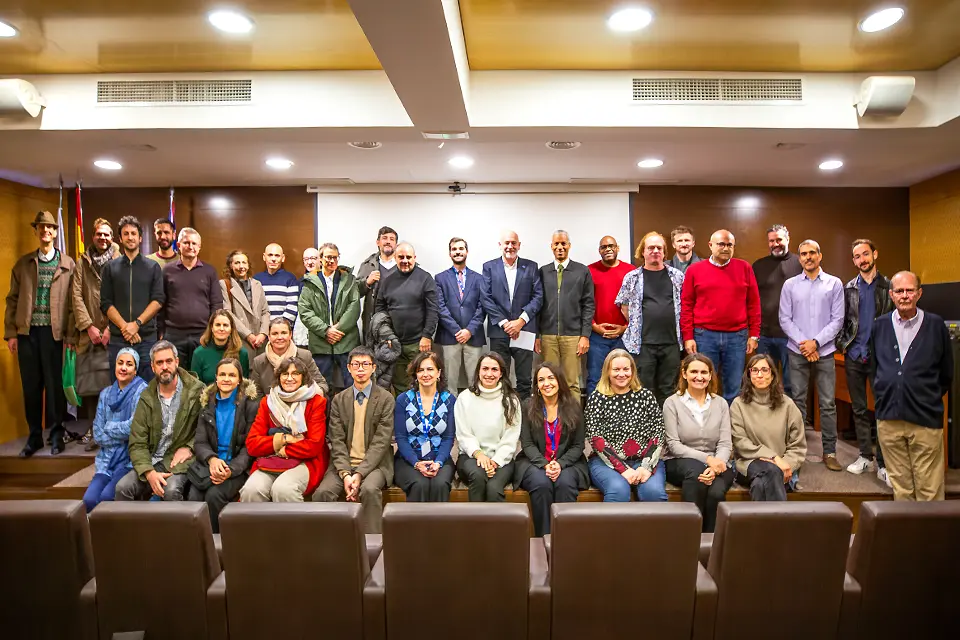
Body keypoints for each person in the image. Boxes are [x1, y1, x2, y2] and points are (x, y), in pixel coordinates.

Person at [870, 271, 953, 501]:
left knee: (930, 490)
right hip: (889, 420)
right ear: (891, 295)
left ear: (919, 293)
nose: (904, 295)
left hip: (925, 420)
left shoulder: (936, 325)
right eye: (899, 291)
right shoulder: (880, 326)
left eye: (909, 290)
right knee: (901, 490)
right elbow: (874, 370)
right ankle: (907, 537)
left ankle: (931, 538)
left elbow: (946, 374)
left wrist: (923, 395)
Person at [5, 211, 77, 457]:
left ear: (56, 232)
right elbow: (12, 300)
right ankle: (34, 436)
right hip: (27, 334)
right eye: (41, 227)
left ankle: (57, 434)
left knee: (55, 387)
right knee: (31, 387)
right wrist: (11, 334)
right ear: (35, 231)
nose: (46, 231)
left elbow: (72, 304)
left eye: (50, 227)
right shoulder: (23, 264)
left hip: (55, 335)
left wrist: (70, 337)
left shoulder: (68, 265)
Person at [778, 239, 845, 471]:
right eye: (804, 254)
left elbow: (838, 320)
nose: (808, 257)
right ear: (799, 258)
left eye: (812, 253)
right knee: (797, 402)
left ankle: (830, 452)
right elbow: (784, 318)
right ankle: (797, 452)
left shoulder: (834, 284)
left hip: (825, 351)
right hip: (797, 351)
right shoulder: (790, 285)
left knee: (827, 404)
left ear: (820, 255)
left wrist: (815, 343)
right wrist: (804, 344)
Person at [314, 346, 395, 532]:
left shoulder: (385, 399)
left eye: (365, 364)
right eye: (356, 364)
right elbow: (337, 440)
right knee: (323, 493)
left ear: (373, 368)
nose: (360, 369)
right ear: (349, 368)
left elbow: (381, 443)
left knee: (369, 490)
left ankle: (372, 545)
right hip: (344, 464)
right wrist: (345, 474)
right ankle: (328, 544)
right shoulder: (339, 399)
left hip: (375, 465)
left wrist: (358, 474)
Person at [116, 341, 204, 501]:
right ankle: (132, 527)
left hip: (180, 462)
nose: (165, 367)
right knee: (122, 488)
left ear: (176, 362)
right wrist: (149, 472)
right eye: (159, 362)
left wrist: (190, 447)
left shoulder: (196, 391)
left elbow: (206, 430)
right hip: (151, 460)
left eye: (169, 361)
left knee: (171, 491)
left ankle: (179, 527)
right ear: (152, 366)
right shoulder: (146, 396)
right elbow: (137, 442)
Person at [836, 239, 894, 483]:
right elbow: (841, 319)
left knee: (882, 410)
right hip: (854, 356)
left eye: (866, 254)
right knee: (858, 409)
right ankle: (864, 456)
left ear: (875, 254)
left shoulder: (889, 286)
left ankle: (882, 463)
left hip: (881, 357)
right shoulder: (849, 287)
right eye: (857, 256)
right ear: (854, 260)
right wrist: (843, 346)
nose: (862, 259)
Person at [680, 229, 761, 404]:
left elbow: (754, 303)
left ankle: (730, 428)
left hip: (737, 336)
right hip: (704, 336)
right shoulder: (695, 270)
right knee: (703, 384)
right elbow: (686, 305)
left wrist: (754, 334)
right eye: (721, 244)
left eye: (729, 245)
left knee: (734, 386)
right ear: (710, 245)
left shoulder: (744, 268)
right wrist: (688, 337)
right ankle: (707, 427)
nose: (725, 248)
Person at [514, 362, 589, 537]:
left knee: (565, 483)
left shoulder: (573, 406)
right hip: (535, 461)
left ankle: (565, 539)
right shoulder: (528, 406)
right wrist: (545, 464)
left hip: (568, 462)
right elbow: (527, 443)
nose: (546, 383)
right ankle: (544, 539)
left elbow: (578, 445)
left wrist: (560, 464)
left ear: (559, 381)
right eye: (541, 380)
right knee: (541, 483)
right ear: (537, 386)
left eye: (550, 378)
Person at [240, 357, 329, 502]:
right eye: (285, 374)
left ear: (303, 377)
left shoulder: (316, 402)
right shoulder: (267, 403)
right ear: (278, 377)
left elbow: (314, 445)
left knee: (284, 489)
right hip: (271, 460)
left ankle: (293, 526)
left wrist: (284, 450)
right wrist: (283, 439)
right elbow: (252, 444)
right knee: (251, 490)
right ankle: (260, 526)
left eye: (295, 373)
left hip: (306, 461)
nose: (289, 378)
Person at [584, 349, 668, 502]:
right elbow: (596, 438)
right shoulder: (597, 398)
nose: (621, 374)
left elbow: (658, 432)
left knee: (653, 492)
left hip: (644, 460)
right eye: (616, 369)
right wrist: (623, 469)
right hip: (606, 462)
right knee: (618, 491)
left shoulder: (646, 396)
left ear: (632, 371)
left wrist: (646, 467)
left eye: (626, 369)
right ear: (607, 371)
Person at [663, 354, 734, 532]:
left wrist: (717, 464)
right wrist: (708, 460)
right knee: (696, 475)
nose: (699, 377)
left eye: (704, 372)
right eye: (694, 371)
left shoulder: (721, 404)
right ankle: (688, 539)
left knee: (717, 493)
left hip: (718, 462)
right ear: (684, 374)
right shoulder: (672, 403)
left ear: (710, 375)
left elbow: (725, 443)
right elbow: (674, 445)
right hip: (679, 461)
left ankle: (712, 547)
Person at [187, 357, 258, 532]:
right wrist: (212, 460)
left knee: (214, 495)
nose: (226, 379)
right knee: (193, 495)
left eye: (232, 375)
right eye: (222, 375)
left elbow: (249, 448)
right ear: (216, 378)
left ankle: (217, 544)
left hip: (236, 468)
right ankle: (195, 543)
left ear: (239, 379)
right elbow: (200, 442)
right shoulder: (207, 403)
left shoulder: (250, 405)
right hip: (210, 465)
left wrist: (230, 470)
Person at [615, 231, 685, 407]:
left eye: (659, 248)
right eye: (651, 247)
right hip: (643, 344)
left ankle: (666, 430)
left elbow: (686, 305)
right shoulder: (632, 277)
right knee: (644, 389)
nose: (655, 251)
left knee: (669, 389)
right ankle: (647, 432)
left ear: (664, 252)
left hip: (672, 343)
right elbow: (624, 306)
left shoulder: (677, 276)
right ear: (643, 252)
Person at [730, 354, 806, 502]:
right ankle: (780, 522)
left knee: (760, 485)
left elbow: (797, 446)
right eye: (755, 370)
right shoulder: (738, 404)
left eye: (765, 370)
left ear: (772, 375)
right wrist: (774, 458)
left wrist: (785, 464)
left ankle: (762, 525)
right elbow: (740, 442)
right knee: (770, 470)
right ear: (748, 375)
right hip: (748, 464)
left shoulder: (788, 405)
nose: (760, 375)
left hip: (784, 467)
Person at [72, 218, 119, 450]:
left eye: (107, 234)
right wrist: (89, 326)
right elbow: (76, 296)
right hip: (88, 335)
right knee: (91, 387)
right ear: (93, 236)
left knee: (113, 384)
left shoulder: (120, 260)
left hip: (114, 333)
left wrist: (111, 327)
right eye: (99, 234)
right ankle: (94, 431)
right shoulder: (82, 262)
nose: (103, 238)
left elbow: (123, 295)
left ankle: (112, 433)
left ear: (113, 237)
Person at [100, 215, 165, 381]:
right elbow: (106, 303)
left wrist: (136, 325)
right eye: (126, 233)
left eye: (133, 233)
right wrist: (126, 328)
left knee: (147, 392)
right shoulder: (110, 268)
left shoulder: (152, 267)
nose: (130, 237)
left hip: (146, 339)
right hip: (118, 340)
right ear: (120, 238)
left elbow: (158, 300)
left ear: (140, 238)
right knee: (119, 390)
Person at [82, 348, 147, 512]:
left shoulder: (142, 391)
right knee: (88, 500)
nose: (124, 368)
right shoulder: (105, 393)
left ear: (136, 369)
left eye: (129, 364)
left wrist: (109, 427)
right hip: (106, 461)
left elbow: (134, 428)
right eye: (120, 363)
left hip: (128, 461)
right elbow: (97, 433)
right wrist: (120, 434)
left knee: (107, 498)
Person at [481, 230, 543, 400]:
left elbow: (538, 297)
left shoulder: (531, 266)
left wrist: (520, 321)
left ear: (519, 245)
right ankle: (503, 414)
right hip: (499, 331)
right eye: (506, 243)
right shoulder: (489, 267)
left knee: (524, 379)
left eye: (513, 243)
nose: (510, 246)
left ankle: (523, 418)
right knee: (500, 377)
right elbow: (485, 298)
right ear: (500, 245)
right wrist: (505, 323)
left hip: (525, 329)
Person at [536, 230, 595, 402]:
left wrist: (585, 335)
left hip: (573, 336)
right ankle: (551, 420)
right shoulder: (543, 272)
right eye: (556, 244)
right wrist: (537, 335)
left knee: (572, 383)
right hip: (548, 335)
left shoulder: (581, 271)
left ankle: (574, 423)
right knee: (548, 381)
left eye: (563, 244)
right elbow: (537, 305)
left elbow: (588, 304)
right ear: (551, 246)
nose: (560, 247)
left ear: (569, 246)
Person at [455, 352, 522, 502]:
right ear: (478, 371)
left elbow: (511, 438)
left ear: (501, 374)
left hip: (502, 459)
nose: (489, 374)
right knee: (478, 476)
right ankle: (476, 525)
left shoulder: (511, 400)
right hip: (470, 457)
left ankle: (496, 526)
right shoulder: (465, 398)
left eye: (494, 369)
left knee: (494, 488)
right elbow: (463, 434)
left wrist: (495, 461)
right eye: (485, 369)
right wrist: (480, 455)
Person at [374, 242, 438, 395]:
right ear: (395, 258)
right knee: (399, 383)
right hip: (394, 343)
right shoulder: (387, 281)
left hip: (419, 342)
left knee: (423, 380)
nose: (405, 260)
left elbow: (433, 310)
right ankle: (403, 415)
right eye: (400, 257)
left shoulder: (425, 278)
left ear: (414, 258)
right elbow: (380, 310)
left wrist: (427, 336)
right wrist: (386, 335)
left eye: (408, 257)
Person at [394, 351, 457, 502]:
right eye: (420, 370)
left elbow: (448, 438)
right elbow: (401, 438)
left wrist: (439, 462)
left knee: (440, 484)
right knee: (419, 484)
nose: (425, 374)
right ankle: (416, 526)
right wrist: (416, 463)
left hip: (440, 458)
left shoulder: (449, 400)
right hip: (408, 459)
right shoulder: (403, 400)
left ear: (438, 373)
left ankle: (439, 526)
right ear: (415, 374)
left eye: (430, 369)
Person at [299, 242, 361, 390]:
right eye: (328, 257)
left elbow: (354, 306)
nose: (331, 261)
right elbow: (305, 311)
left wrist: (338, 329)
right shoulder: (310, 282)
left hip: (346, 341)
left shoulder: (349, 279)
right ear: (320, 258)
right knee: (320, 387)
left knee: (352, 385)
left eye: (335, 257)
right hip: (321, 343)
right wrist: (326, 330)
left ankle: (350, 413)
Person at [159, 227, 223, 368]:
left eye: (194, 244)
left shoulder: (209, 271)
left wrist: (212, 331)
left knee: (200, 378)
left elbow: (216, 304)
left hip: (202, 334)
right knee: (176, 376)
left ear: (199, 247)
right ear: (179, 245)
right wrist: (161, 332)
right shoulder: (167, 271)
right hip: (174, 334)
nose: (190, 246)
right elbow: (160, 303)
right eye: (186, 242)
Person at [752, 224, 802, 396]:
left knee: (791, 384)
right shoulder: (758, 266)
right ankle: (766, 419)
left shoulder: (800, 264)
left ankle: (791, 421)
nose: (775, 244)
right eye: (771, 241)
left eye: (779, 240)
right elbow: (751, 300)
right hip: (765, 335)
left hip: (792, 336)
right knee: (764, 382)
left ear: (788, 239)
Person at [435, 237, 486, 391]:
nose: (458, 252)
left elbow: (482, 307)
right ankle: (452, 414)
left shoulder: (479, 278)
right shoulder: (440, 278)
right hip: (450, 336)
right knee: (450, 382)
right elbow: (440, 307)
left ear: (467, 252)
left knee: (475, 381)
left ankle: (473, 412)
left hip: (473, 335)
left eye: (461, 248)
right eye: (454, 249)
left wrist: (469, 330)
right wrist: (457, 331)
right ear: (450, 253)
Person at [586, 235, 634, 397]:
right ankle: (594, 419)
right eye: (604, 247)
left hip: (624, 336)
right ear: (599, 250)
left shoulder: (631, 271)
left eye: (611, 246)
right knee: (595, 378)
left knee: (623, 379)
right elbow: (583, 302)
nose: (608, 249)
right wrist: (594, 326)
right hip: (596, 336)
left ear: (617, 248)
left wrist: (624, 328)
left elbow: (637, 305)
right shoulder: (589, 271)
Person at [249, 318, 328, 397]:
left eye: (284, 333)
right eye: (275, 333)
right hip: (270, 406)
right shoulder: (259, 361)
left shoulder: (305, 356)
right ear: (269, 337)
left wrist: (307, 397)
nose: (279, 337)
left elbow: (321, 384)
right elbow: (255, 393)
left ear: (290, 335)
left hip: (303, 404)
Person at [220, 249, 270, 357]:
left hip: (260, 342)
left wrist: (263, 334)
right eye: (237, 263)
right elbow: (227, 313)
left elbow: (265, 312)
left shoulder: (257, 284)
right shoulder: (225, 285)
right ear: (231, 266)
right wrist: (248, 335)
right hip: (240, 339)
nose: (241, 266)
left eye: (244, 262)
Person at [356, 226, 398, 345]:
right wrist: (367, 282)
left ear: (396, 244)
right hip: (373, 322)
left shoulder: (403, 264)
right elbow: (355, 293)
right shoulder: (368, 265)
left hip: (398, 323)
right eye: (384, 238)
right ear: (378, 242)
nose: (388, 241)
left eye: (392, 239)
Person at [189, 309, 251, 384]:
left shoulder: (242, 353)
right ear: (211, 328)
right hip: (206, 395)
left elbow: (244, 385)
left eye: (225, 325)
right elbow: (195, 387)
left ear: (231, 329)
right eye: (218, 325)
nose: (221, 329)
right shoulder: (199, 353)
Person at [253, 243, 299, 323]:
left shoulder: (290, 278)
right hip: (261, 330)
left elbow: (292, 306)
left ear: (283, 258)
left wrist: (281, 326)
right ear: (264, 257)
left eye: (277, 255)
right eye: (270, 255)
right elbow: (254, 306)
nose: (273, 259)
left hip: (282, 330)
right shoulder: (256, 279)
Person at [293, 247, 321, 348]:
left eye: (313, 258)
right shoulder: (300, 282)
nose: (310, 262)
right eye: (306, 259)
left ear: (320, 260)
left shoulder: (327, 280)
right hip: (304, 330)